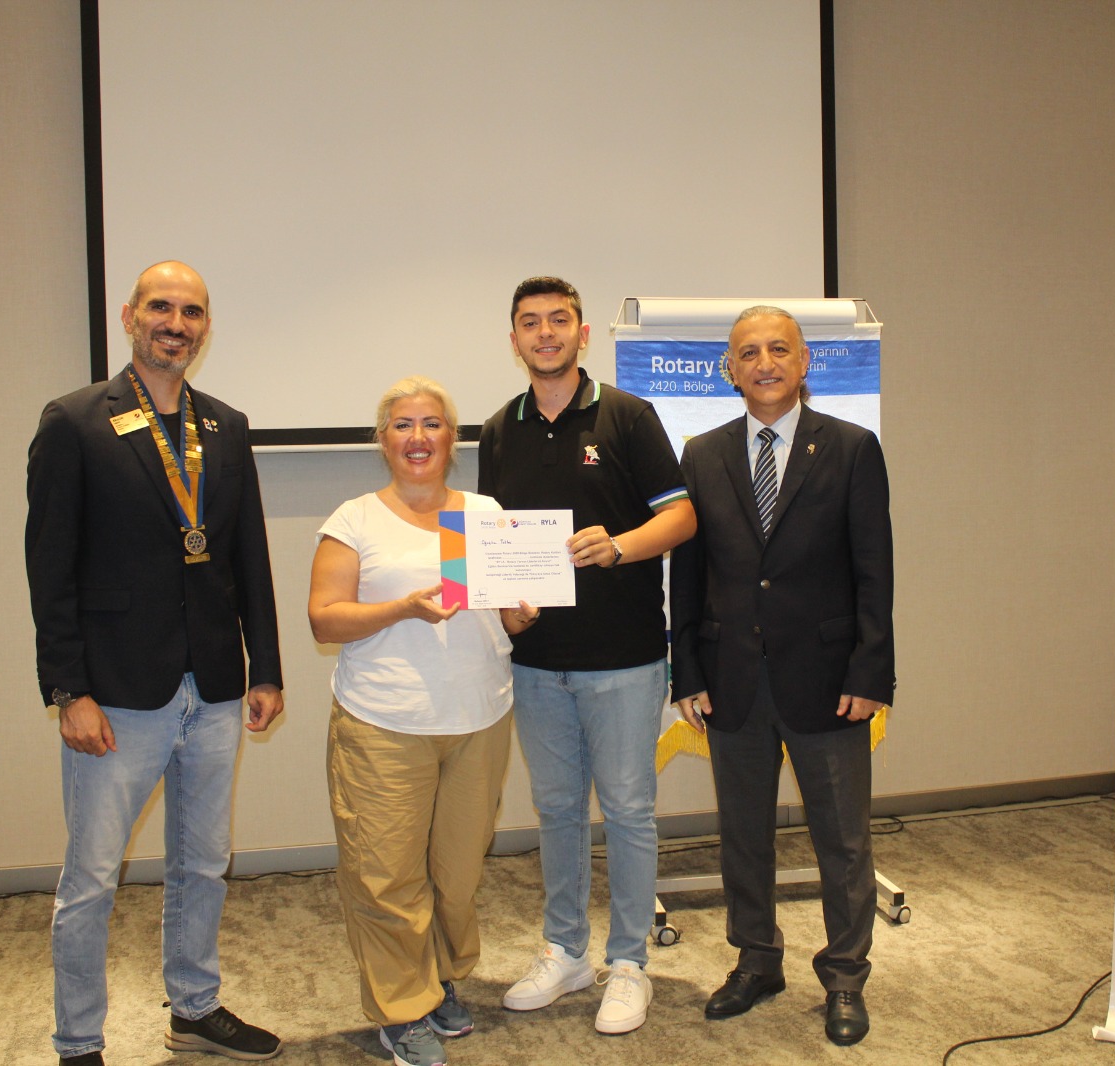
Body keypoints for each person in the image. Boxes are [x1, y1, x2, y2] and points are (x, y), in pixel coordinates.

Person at [25, 261, 285, 1064]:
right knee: (91, 880)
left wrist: (266, 668)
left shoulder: (226, 426)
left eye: (192, 311)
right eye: (162, 308)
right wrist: (68, 690)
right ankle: (78, 1042)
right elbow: (49, 568)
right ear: (130, 315)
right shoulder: (74, 422)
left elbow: (248, 555)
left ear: (206, 325)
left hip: (213, 683)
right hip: (116, 689)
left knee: (203, 863)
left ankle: (194, 1007)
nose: (177, 323)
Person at [669, 305, 894, 1047]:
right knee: (743, 836)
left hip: (830, 679)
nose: (763, 363)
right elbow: (688, 574)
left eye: (778, 350)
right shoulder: (702, 455)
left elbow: (875, 569)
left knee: (842, 841)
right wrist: (686, 671)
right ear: (728, 370)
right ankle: (757, 961)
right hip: (730, 677)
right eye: (748, 353)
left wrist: (871, 670)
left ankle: (845, 976)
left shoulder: (852, 448)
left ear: (804, 362)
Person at [477, 276, 696, 1035]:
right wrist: (503, 603)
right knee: (558, 811)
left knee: (629, 811)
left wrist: (620, 546)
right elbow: (491, 541)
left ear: (582, 333)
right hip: (536, 662)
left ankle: (629, 962)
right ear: (514, 339)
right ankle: (566, 950)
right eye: (530, 323)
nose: (545, 333)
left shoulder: (627, 415)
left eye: (559, 320)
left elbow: (682, 517)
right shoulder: (497, 429)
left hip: (624, 658)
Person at [308, 376, 537, 1066]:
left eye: (431, 424)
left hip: (479, 717)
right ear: (383, 441)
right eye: (403, 425)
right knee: (386, 875)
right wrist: (403, 608)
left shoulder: (481, 513)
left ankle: (440, 978)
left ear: (451, 438)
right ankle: (401, 1006)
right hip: (384, 722)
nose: (418, 437)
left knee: (457, 874)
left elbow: (500, 616)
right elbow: (325, 618)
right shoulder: (355, 520)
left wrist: (522, 613)